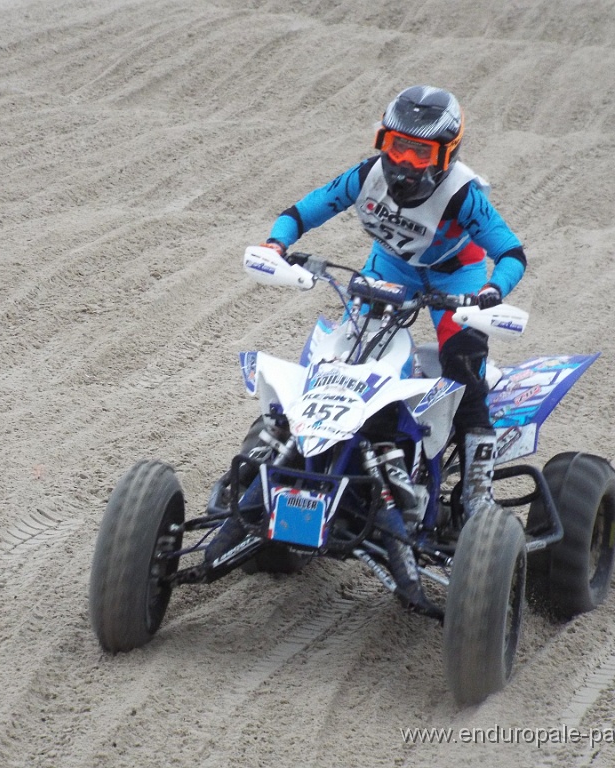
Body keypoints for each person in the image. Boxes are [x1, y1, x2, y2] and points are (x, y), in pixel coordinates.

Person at [207, 85, 527, 614]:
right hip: (388, 272)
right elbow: (302, 211)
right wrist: (275, 244)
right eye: (396, 146)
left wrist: (492, 292)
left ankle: (476, 497)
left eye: (419, 152)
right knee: (340, 362)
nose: (403, 161)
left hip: (458, 280)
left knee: (463, 372)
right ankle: (302, 459)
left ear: (445, 155)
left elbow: (510, 252)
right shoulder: (367, 175)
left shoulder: (465, 195)